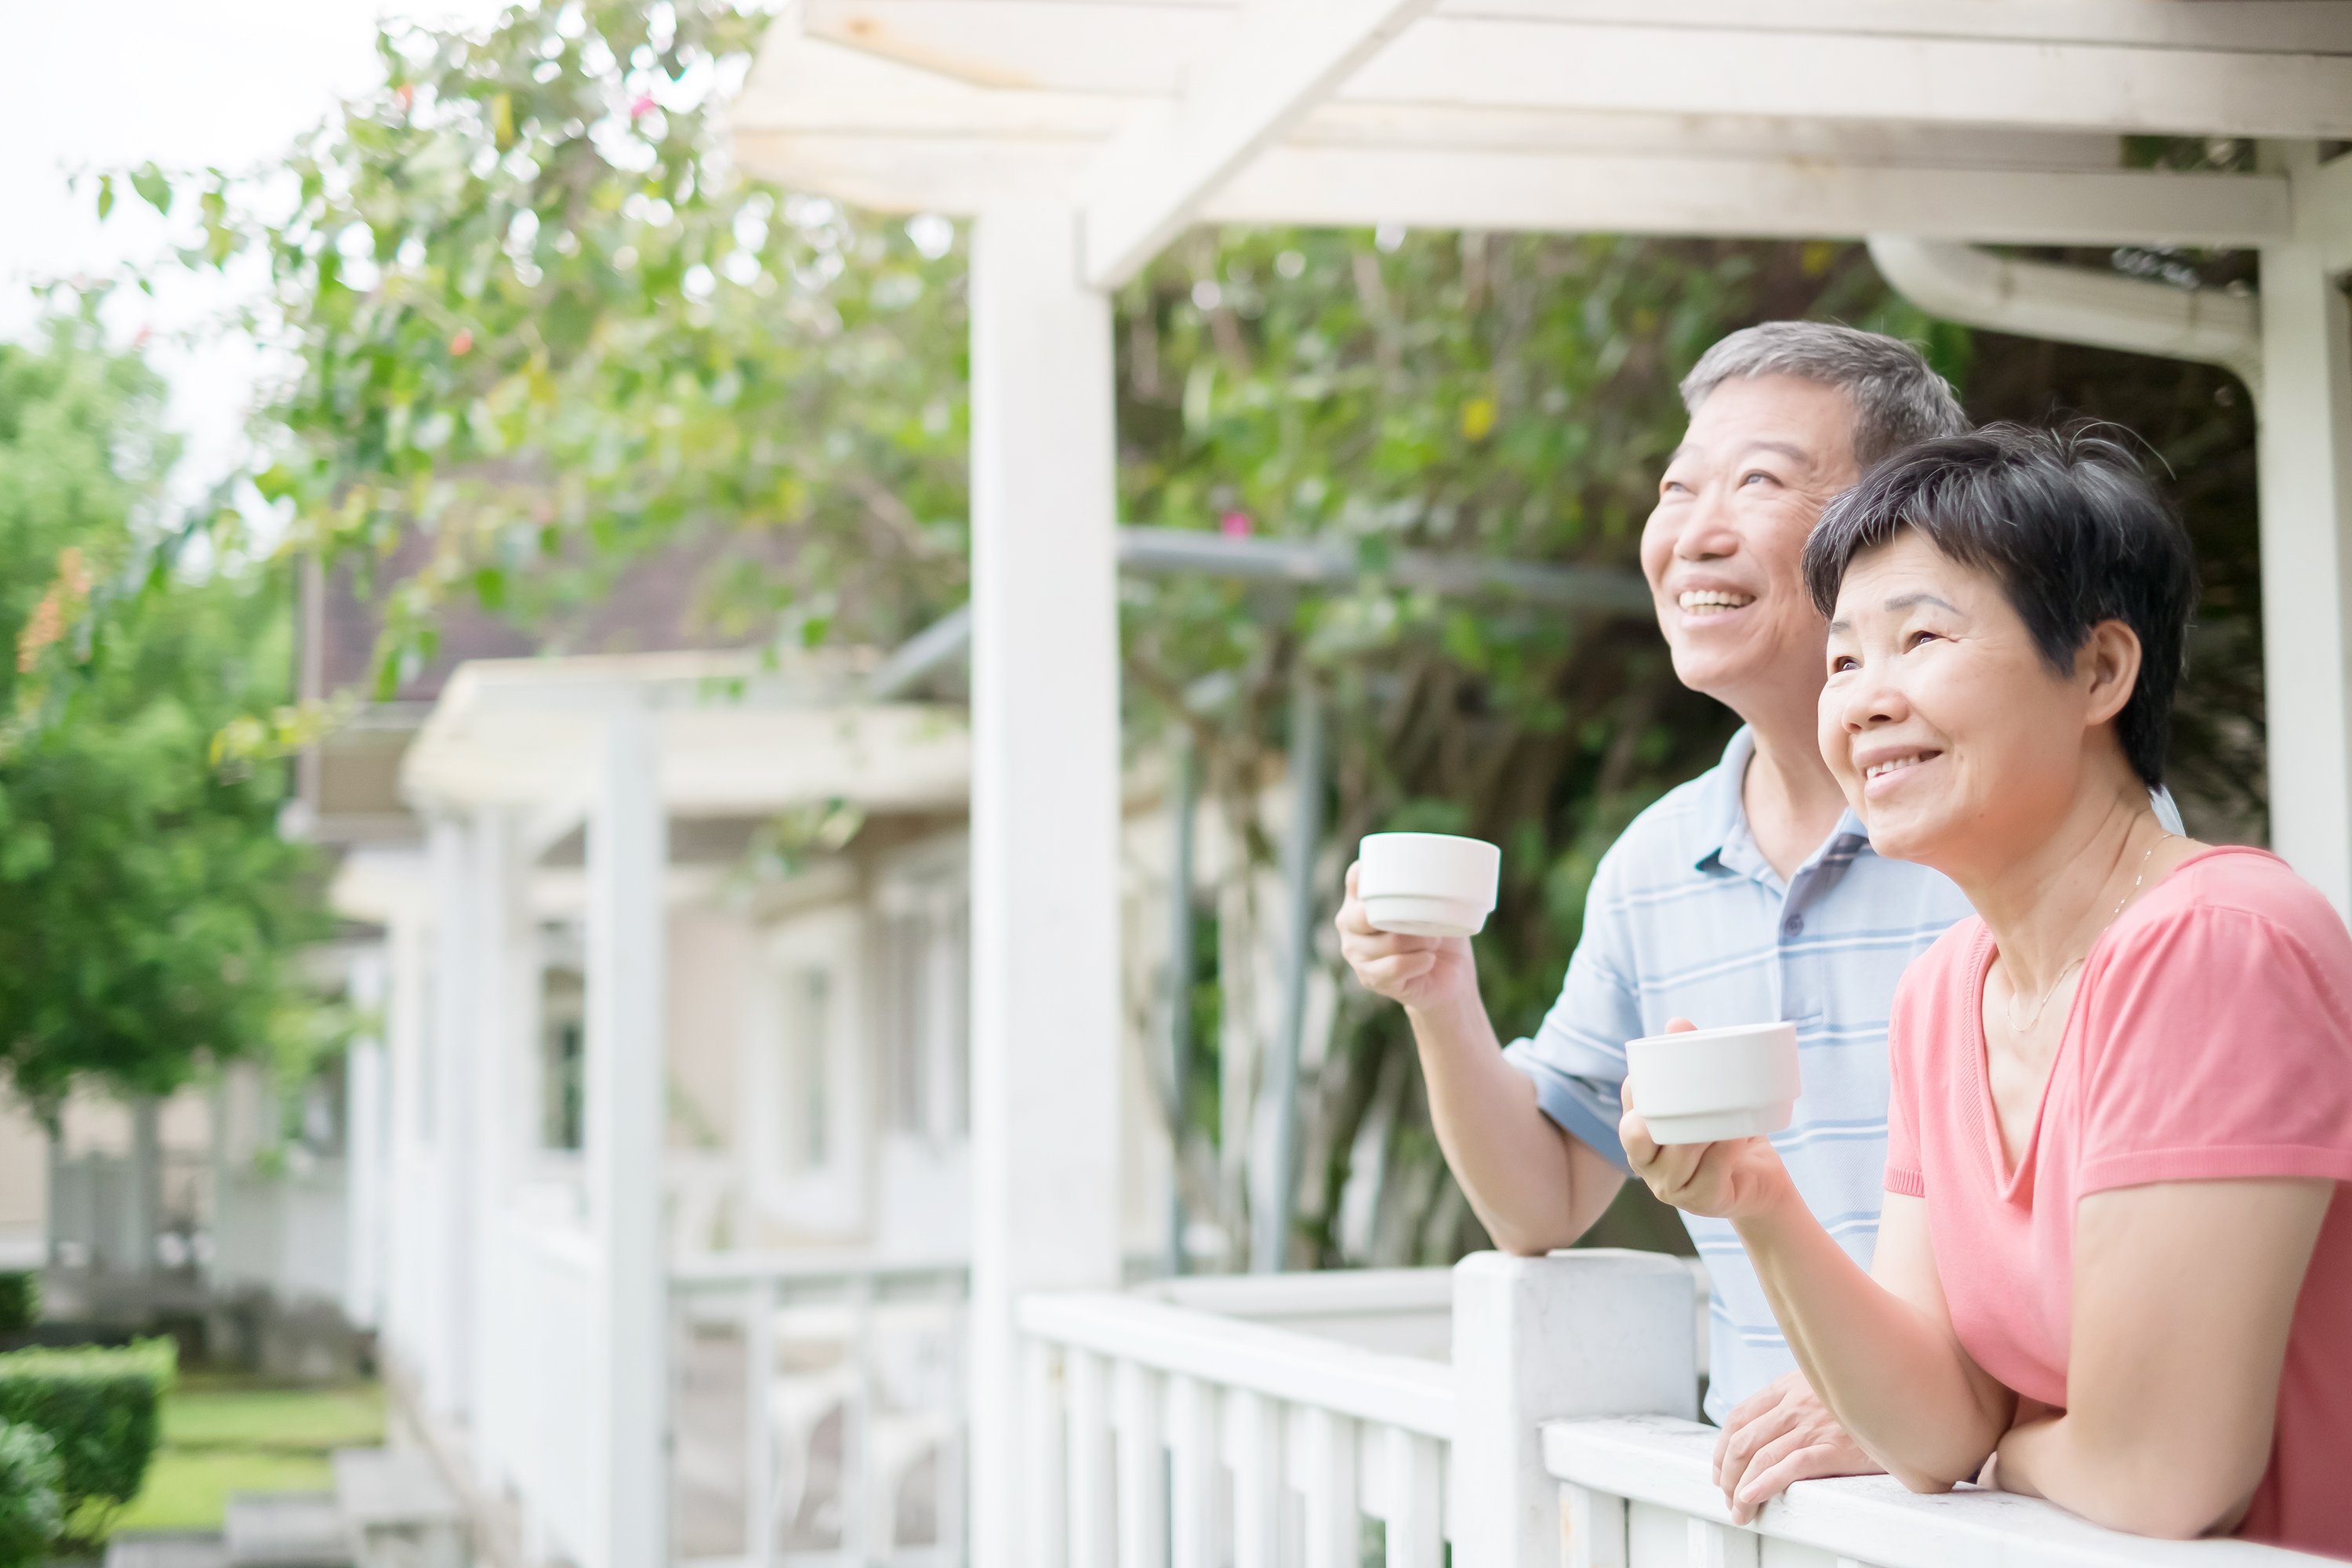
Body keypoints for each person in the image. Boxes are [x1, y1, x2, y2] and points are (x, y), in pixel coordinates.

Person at [1624, 425, 2352, 1555]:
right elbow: (1930, 1426)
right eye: (1845, 661)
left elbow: (2162, 1474)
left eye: (1921, 638)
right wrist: (1756, 1200)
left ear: (2102, 671)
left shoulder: (2214, 943)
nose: (1864, 701)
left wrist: (2005, 1448)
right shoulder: (1945, 991)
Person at [1335, 322, 1983, 1498]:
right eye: (1679, 485)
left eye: (1759, 482)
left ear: (1893, 526)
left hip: (2001, 1515)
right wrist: (1438, 992)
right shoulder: (1657, 862)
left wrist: (1928, 1401)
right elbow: (1542, 1200)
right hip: (1760, 1518)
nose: (1694, 529)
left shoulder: (2012, 814)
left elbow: (2110, 1212)